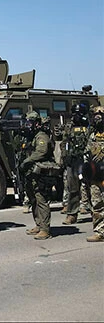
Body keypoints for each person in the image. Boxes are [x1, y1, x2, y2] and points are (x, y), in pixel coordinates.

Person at [19, 111, 61, 240]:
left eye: (30, 123)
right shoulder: (30, 137)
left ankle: (45, 229)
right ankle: (38, 224)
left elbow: (41, 153)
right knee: (33, 200)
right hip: (31, 173)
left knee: (41, 199)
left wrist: (26, 162)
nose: (28, 126)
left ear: (37, 124)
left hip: (41, 174)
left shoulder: (41, 136)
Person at [59, 103, 90, 225]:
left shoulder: (89, 126)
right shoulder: (69, 126)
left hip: (87, 161)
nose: (76, 116)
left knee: (91, 188)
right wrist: (64, 157)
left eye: (79, 113)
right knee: (73, 189)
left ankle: (96, 213)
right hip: (73, 161)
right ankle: (72, 214)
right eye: (74, 113)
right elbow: (64, 142)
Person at [83, 106, 104, 242]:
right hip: (97, 175)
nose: (98, 117)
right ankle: (100, 231)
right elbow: (87, 153)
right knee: (97, 204)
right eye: (95, 114)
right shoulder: (92, 135)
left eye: (100, 114)